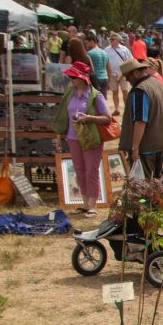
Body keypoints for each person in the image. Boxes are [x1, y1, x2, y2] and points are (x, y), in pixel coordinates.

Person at [53, 61, 111, 216]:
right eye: (70, 76)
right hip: (73, 137)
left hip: (91, 138)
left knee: (91, 170)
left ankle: (92, 204)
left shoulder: (95, 95)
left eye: (74, 76)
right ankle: (84, 203)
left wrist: (89, 118)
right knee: (79, 170)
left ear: (83, 78)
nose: (71, 78)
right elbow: (62, 116)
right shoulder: (70, 93)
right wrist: (59, 136)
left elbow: (107, 118)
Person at [119, 58, 163, 178]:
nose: (127, 80)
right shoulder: (156, 83)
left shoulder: (140, 90)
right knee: (156, 185)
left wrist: (135, 148)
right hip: (161, 144)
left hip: (146, 148)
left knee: (145, 188)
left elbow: (140, 121)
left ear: (135, 73)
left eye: (127, 76)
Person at [105, 33, 134, 111]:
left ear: (118, 40)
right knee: (115, 92)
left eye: (113, 39)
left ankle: (127, 109)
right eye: (110, 39)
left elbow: (130, 60)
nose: (111, 41)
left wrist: (125, 72)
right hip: (112, 74)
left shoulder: (124, 49)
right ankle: (116, 109)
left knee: (125, 91)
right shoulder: (106, 50)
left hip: (123, 74)